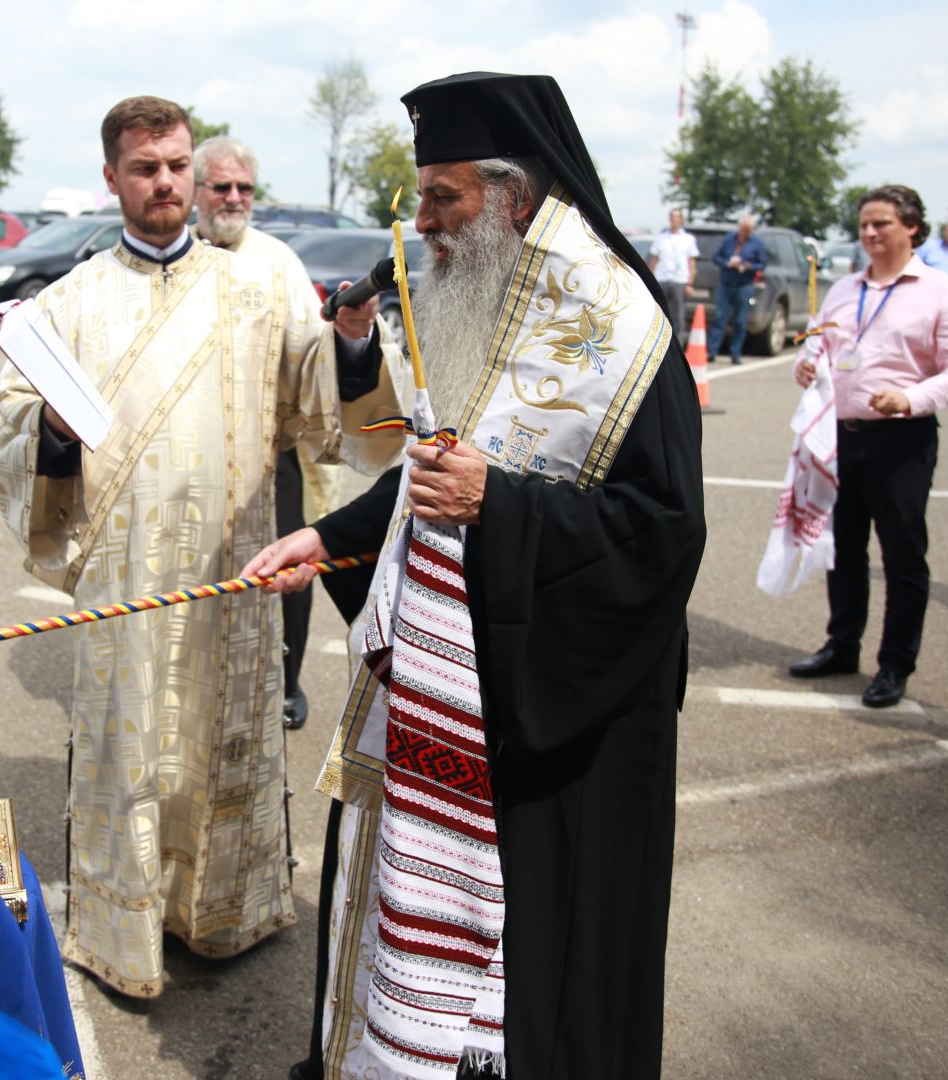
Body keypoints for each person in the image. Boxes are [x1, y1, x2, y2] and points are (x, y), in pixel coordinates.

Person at [243, 71, 706, 1079]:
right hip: (443, 690)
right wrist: (330, 539)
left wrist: (505, 507)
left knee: (530, 975)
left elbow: (663, 534)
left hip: (558, 717)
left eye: (443, 199)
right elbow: (433, 469)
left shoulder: (626, 336)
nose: (427, 225)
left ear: (515, 196)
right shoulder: (486, 299)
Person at [0, 96, 404, 1000]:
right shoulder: (69, 302)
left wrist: (356, 341)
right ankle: (123, 927)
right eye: (145, 168)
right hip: (126, 580)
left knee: (219, 742)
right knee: (131, 748)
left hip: (232, 570)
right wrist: (52, 430)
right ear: (114, 179)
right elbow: (8, 432)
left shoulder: (257, 287)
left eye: (175, 165)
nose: (165, 183)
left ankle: (219, 914)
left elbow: (320, 401)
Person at [190, 134, 408, 731]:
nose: (234, 198)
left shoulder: (276, 262)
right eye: (221, 187)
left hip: (270, 454)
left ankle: (283, 682)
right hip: (188, 460)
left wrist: (350, 339)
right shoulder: (173, 260)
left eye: (244, 188)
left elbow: (315, 353)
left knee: (290, 563)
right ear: (196, 191)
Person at [787, 184, 948, 707]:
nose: (870, 234)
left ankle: (895, 662)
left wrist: (911, 397)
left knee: (902, 555)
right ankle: (841, 644)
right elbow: (817, 344)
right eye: (864, 225)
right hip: (840, 437)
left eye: (882, 225)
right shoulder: (846, 288)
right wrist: (806, 365)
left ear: (913, 227)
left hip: (901, 440)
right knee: (843, 550)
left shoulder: (943, 291)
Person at [706, 213, 767, 364]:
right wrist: (727, 263)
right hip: (726, 284)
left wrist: (748, 266)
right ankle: (712, 351)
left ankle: (735, 353)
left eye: (748, 229)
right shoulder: (729, 240)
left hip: (744, 285)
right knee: (720, 318)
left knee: (740, 321)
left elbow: (762, 264)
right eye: (743, 228)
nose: (745, 231)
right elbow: (716, 257)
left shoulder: (756, 243)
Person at [648, 207, 698, 338]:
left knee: (678, 313)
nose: (674, 220)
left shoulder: (688, 239)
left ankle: (679, 341)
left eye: (677, 217)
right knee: (661, 312)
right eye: (672, 217)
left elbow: (691, 262)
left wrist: (690, 283)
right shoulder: (661, 238)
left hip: (679, 279)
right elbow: (654, 259)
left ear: (681, 220)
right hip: (662, 277)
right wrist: (649, 279)